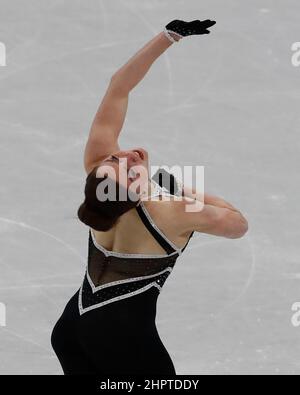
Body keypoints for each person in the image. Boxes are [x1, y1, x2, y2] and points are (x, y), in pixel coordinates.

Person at [51, 19, 248, 375]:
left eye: (115, 158)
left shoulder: (98, 171)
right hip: (122, 338)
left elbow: (118, 88)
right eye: (129, 170)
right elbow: (237, 225)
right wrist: (183, 189)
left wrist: (169, 36)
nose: (127, 156)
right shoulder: (171, 212)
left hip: (71, 330)